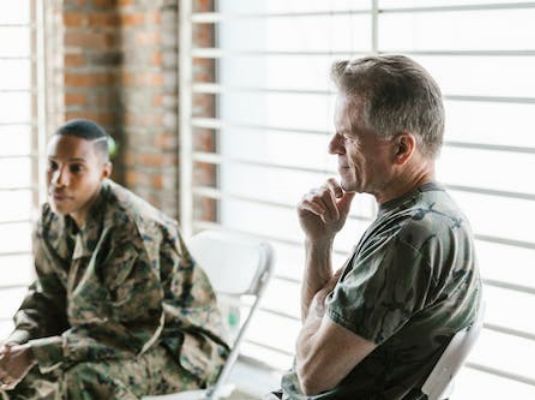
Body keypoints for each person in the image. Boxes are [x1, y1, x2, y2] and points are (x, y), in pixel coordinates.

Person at [274, 55, 482, 399]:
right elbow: (317, 343)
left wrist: (321, 303)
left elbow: (311, 374)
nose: (332, 147)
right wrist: (319, 243)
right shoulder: (422, 216)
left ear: (401, 148)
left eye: (348, 136)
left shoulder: (408, 237)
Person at [0, 119, 228, 399]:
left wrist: (37, 353)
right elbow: (47, 299)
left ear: (104, 172)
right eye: (52, 165)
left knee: (84, 379)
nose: (59, 180)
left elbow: (135, 332)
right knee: (12, 375)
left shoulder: (130, 229)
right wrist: (18, 343)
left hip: (180, 351)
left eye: (76, 168)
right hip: (102, 339)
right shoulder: (51, 220)